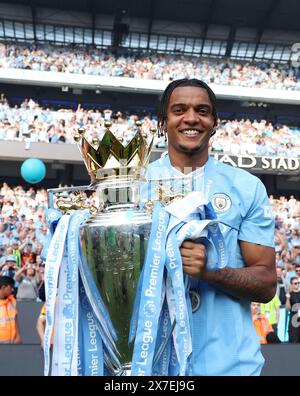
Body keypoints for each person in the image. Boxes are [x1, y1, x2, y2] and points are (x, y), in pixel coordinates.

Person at [144, 78, 276, 375]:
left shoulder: (246, 187)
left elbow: (267, 283)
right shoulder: (135, 185)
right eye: (179, 110)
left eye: (202, 111)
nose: (191, 118)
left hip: (230, 366)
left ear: (215, 122)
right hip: (153, 367)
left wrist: (210, 272)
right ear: (163, 122)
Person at [0, 276, 22, 344]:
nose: (12, 290)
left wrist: (18, 336)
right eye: (11, 287)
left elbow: (14, 319)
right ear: (3, 287)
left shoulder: (12, 301)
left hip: (12, 343)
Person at [286, 276, 300, 343]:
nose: (297, 284)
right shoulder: (290, 294)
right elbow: (288, 308)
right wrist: (288, 298)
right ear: (291, 284)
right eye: (295, 283)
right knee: (294, 338)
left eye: (298, 283)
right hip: (294, 318)